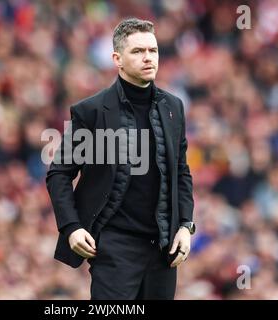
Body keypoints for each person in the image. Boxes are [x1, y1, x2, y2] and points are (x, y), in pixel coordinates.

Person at [46, 17, 195, 300]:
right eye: (137, 51)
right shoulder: (91, 111)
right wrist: (72, 227)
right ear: (117, 59)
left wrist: (186, 225)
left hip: (163, 249)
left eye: (153, 50)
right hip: (114, 246)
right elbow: (59, 174)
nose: (148, 57)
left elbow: (181, 172)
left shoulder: (174, 107)